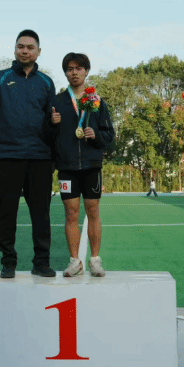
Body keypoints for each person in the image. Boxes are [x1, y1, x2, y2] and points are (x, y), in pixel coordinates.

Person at [0, 30, 57, 279]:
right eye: (21, 46)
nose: (25, 51)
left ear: (38, 52)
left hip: (40, 157)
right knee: (6, 212)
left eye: (30, 47)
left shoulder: (46, 82)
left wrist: (55, 122)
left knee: (41, 214)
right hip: (8, 155)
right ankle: (8, 262)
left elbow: (52, 120)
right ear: (14, 50)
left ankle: (41, 262)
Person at [51, 53, 115, 277]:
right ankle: (74, 261)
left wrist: (96, 135)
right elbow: (46, 135)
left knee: (93, 210)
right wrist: (51, 123)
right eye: (70, 69)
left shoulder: (97, 101)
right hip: (67, 166)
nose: (74, 72)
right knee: (70, 213)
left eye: (79, 68)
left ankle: (95, 260)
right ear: (65, 73)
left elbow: (109, 135)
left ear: (86, 71)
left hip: (91, 165)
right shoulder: (57, 102)